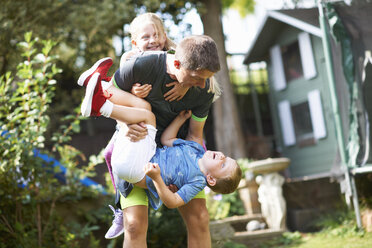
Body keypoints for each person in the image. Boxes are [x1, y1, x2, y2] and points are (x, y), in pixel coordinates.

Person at [80, 32, 222, 247]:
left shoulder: (204, 90)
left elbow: (194, 135)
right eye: (197, 77)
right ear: (176, 63)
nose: (203, 84)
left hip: (179, 158)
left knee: (200, 219)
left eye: (206, 78)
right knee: (134, 225)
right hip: (137, 147)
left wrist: (192, 175)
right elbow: (115, 100)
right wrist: (126, 125)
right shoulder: (139, 66)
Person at [81, 72, 241, 211]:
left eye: (223, 165)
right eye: (226, 157)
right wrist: (180, 119)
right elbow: (167, 139)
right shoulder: (195, 149)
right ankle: (98, 84)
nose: (221, 157)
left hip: (137, 170)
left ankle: (100, 107)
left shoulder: (198, 181)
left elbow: (173, 202)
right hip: (136, 155)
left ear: (211, 179)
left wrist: (157, 178)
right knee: (142, 106)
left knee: (148, 117)